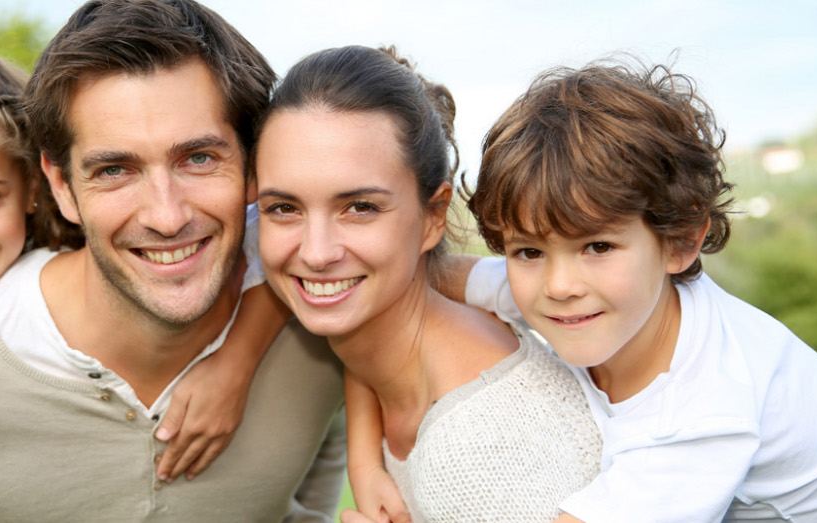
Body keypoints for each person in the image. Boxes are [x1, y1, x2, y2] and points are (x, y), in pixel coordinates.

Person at [0, 1, 345, 521]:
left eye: (198, 158)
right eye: (114, 169)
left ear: (254, 164)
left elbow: (325, 436)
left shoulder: (322, 320)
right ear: (61, 185)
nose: (167, 216)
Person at [463, 60, 817, 521]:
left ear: (679, 243)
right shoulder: (601, 298)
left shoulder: (705, 406)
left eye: (598, 246)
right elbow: (435, 277)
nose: (559, 287)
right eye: (528, 252)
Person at [254, 45, 601, 523]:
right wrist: (363, 457)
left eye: (360, 207)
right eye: (284, 208)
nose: (316, 252)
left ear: (433, 217)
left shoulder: (482, 443)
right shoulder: (391, 350)